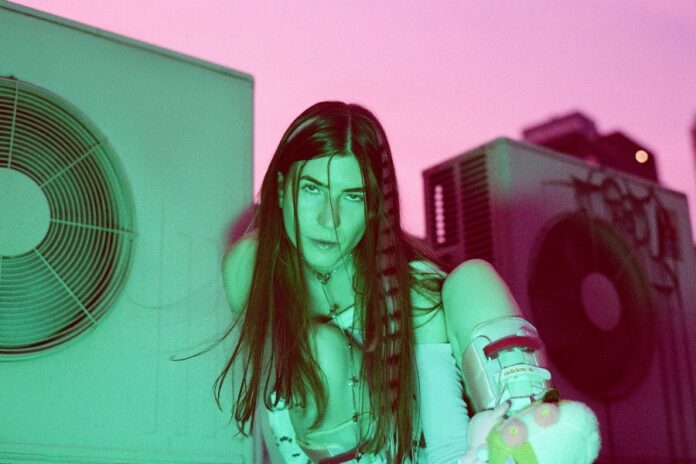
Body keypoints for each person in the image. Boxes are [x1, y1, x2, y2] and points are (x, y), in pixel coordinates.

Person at [217, 101, 547, 463]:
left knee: (474, 280)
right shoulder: (251, 267)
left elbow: (445, 440)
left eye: (352, 196)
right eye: (312, 189)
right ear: (282, 190)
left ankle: (531, 439)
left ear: (373, 206)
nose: (330, 219)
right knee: (322, 351)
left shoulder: (411, 288)